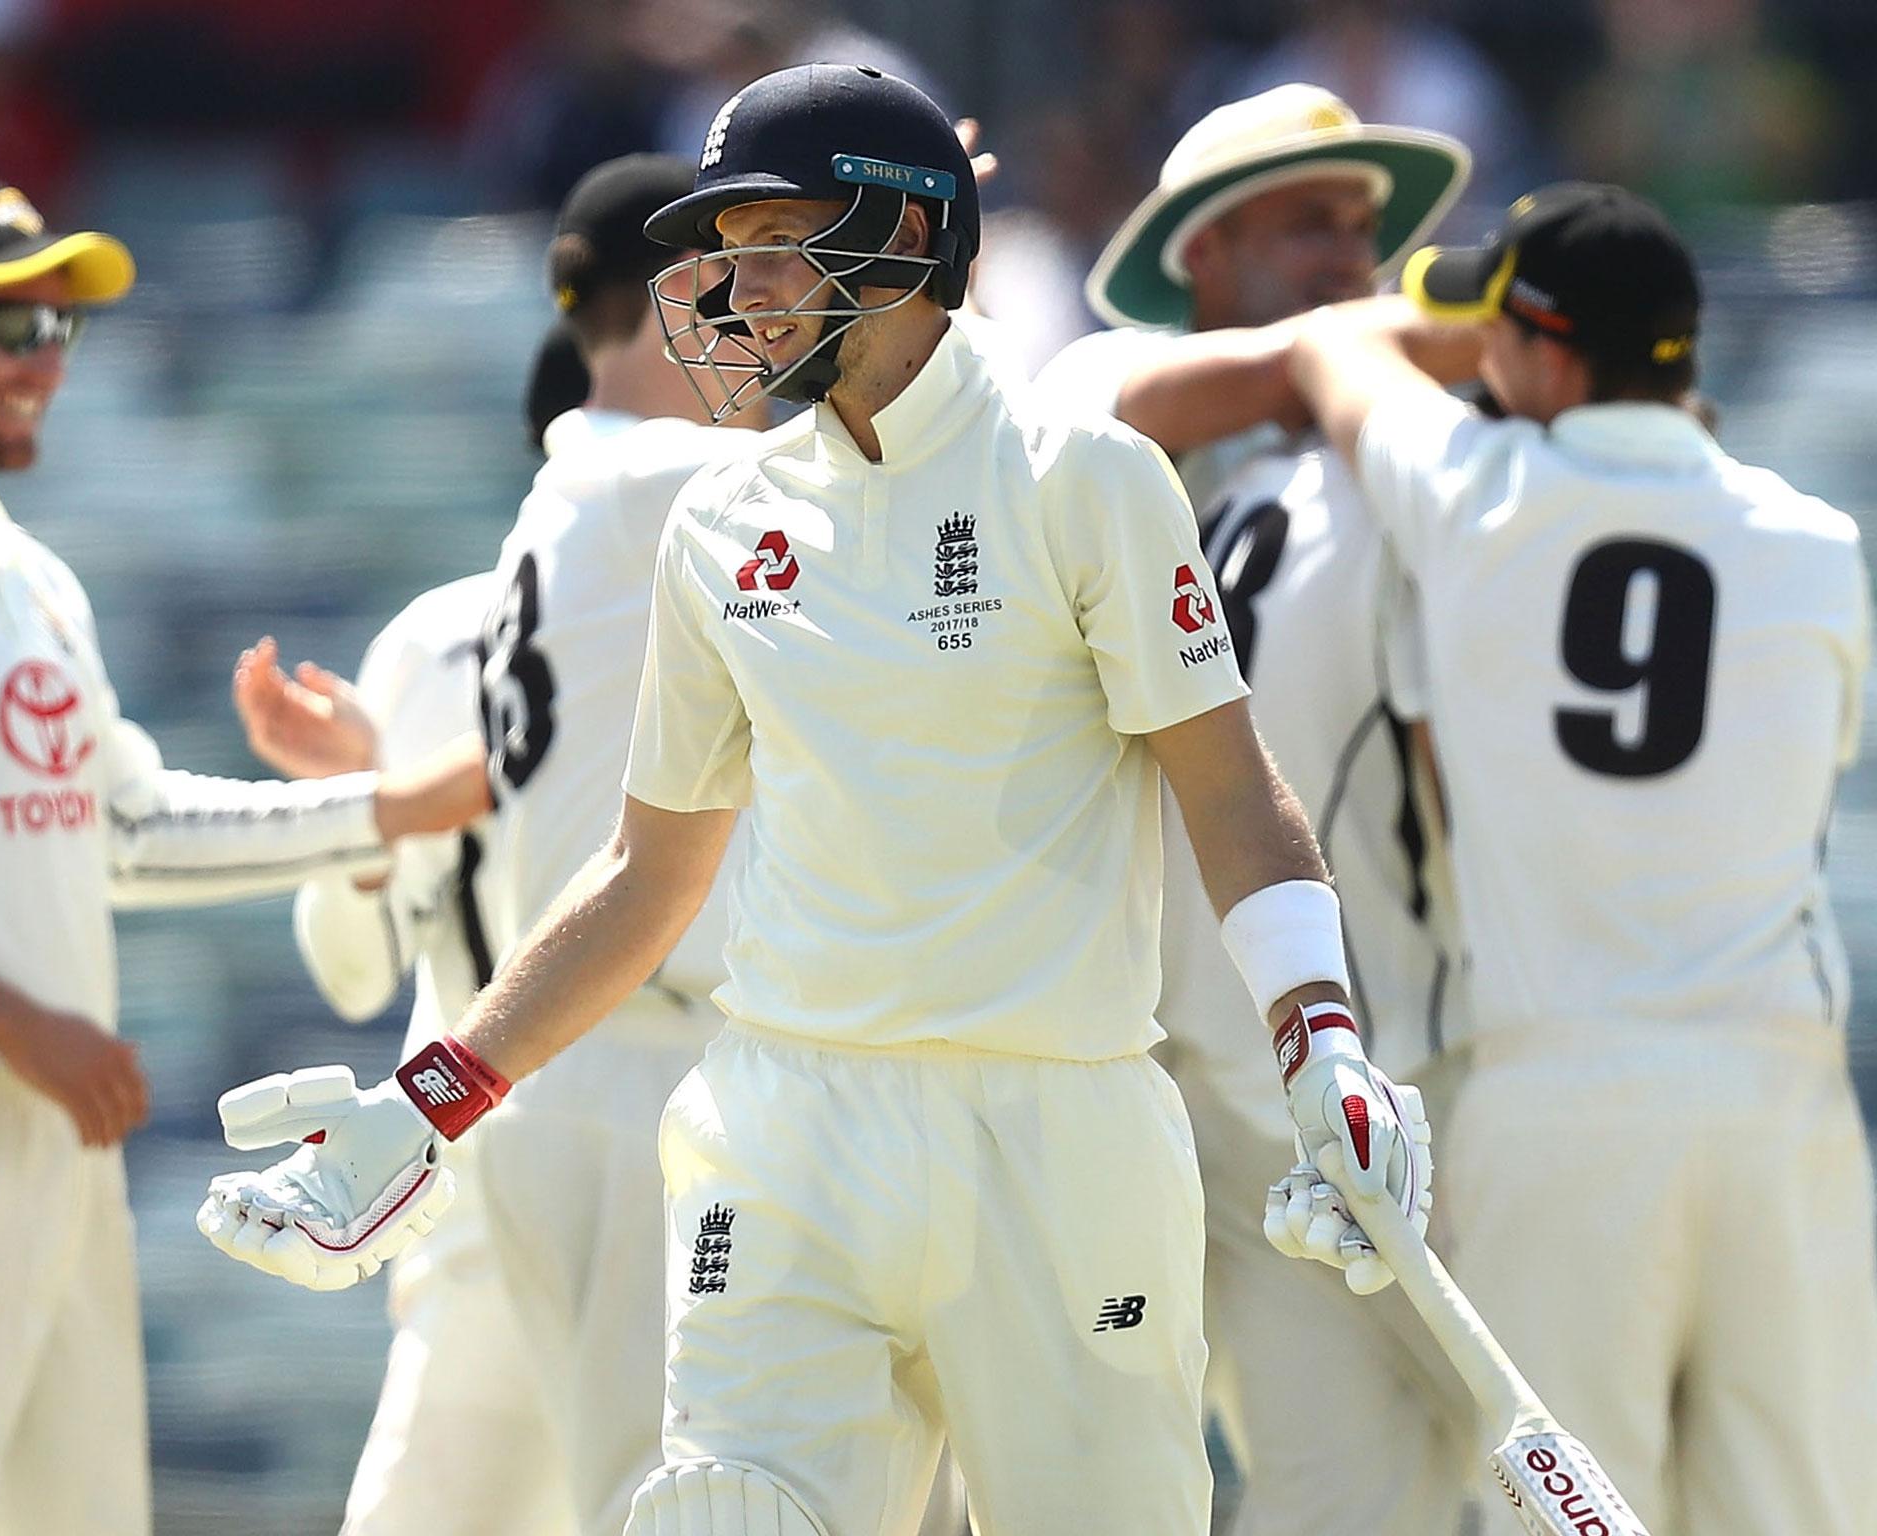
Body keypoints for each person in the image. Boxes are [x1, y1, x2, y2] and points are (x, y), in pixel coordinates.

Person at [198, 65, 1431, 1536]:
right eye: (727, 247)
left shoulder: (1082, 476)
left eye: (774, 240)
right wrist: (432, 1101)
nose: (733, 288)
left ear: (905, 244)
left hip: (1055, 1137)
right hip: (785, 1130)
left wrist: (1322, 1042)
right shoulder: (719, 519)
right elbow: (647, 875)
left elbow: (1232, 794)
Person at [0, 176, 480, 1536]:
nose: (41, 363)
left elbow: (124, 825)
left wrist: (380, 808)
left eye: (59, 328)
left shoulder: (30, 577)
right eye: (3, 325)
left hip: (56, 1135)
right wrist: (13, 1025)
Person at [1286, 181, 1877, 1536]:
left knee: (1569, 1520)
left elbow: (1332, 349)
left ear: (1549, 357)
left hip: (1565, 1097)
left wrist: (1434, 347)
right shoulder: (1814, 542)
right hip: (1776, 1097)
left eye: (1499, 342)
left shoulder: (1475, 487)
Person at [1035, 84, 1477, 1533]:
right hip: (1128, 1077)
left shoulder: (1416, 451)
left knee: (1360, 1495)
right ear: (1200, 256)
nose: (1349, 259)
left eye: (1364, 231)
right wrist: (1415, 344)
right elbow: (1190, 391)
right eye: (1308, 223)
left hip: (1354, 1072)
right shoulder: (1099, 393)